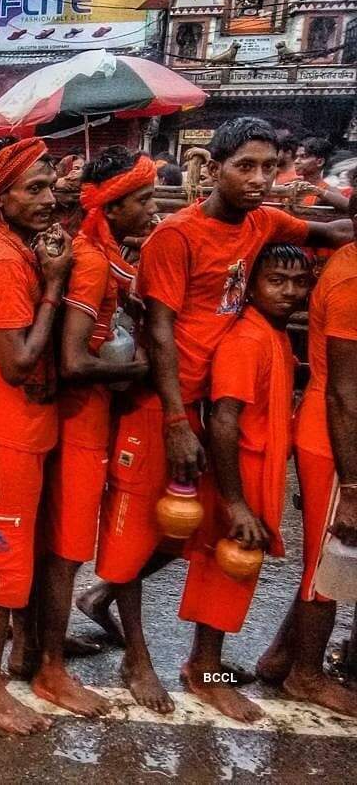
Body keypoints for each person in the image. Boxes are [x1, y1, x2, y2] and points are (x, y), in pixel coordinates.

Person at [84, 116, 352, 714]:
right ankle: (138, 659)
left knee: (198, 534)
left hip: (215, 405)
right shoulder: (176, 236)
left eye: (269, 168)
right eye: (245, 166)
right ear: (212, 168)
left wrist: (340, 208)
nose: (259, 179)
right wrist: (177, 422)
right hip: (163, 403)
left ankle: (160, 638)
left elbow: (331, 232)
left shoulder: (263, 222)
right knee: (139, 533)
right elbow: (159, 330)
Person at [35, 148, 154, 718]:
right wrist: (138, 370)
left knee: (64, 544)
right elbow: (74, 360)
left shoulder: (100, 254)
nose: (152, 211)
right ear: (111, 207)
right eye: (143, 200)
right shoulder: (90, 261)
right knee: (67, 550)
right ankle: (50, 669)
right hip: (80, 420)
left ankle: (38, 649)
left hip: (89, 418)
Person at [0, 137, 71, 735]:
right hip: (7, 429)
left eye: (50, 185)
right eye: (34, 188)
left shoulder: (16, 248)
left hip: (26, 427)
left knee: (17, 552)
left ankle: (22, 658)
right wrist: (54, 284)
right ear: (0, 199)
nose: (49, 198)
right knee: (1, 558)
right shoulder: (3, 262)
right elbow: (18, 363)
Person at [178, 243, 312, 722]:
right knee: (227, 570)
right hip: (240, 472)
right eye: (276, 280)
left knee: (232, 573)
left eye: (299, 282)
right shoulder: (247, 339)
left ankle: (206, 666)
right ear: (250, 286)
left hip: (257, 469)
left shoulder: (272, 334)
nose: (289, 291)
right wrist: (235, 502)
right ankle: (204, 671)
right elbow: (224, 420)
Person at [258, 204, 357, 718]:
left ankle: (281, 658)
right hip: (336, 434)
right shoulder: (351, 281)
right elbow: (344, 392)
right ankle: (306, 675)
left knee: (326, 556)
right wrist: (354, 489)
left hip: (338, 428)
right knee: (329, 562)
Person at [292, 137, 350, 211]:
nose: (296, 161)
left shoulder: (327, 189)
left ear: (320, 162)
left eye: (303, 156)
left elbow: (349, 205)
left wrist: (318, 191)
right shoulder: (292, 184)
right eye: (296, 157)